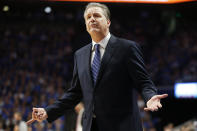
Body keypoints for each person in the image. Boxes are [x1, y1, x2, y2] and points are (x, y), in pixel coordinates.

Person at [28, 2, 168, 131]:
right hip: (91, 126)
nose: (92, 19)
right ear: (86, 25)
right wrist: (48, 111)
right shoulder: (80, 54)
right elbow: (75, 93)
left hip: (122, 126)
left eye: (96, 15)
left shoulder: (127, 48)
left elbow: (143, 81)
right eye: (88, 17)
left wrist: (150, 96)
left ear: (108, 22)